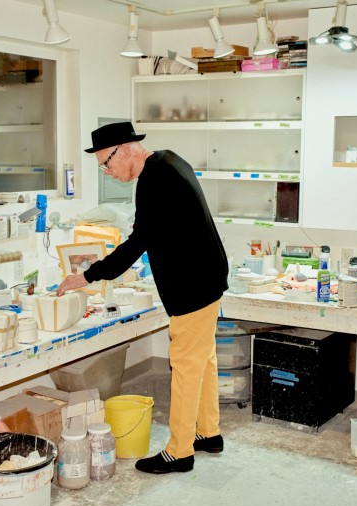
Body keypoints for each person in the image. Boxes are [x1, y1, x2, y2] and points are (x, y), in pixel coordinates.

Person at [56, 122, 229, 474]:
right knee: (202, 360)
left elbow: (139, 241)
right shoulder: (170, 161)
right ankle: (209, 433)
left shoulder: (153, 180)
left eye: (107, 162)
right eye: (102, 166)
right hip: (208, 277)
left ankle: (179, 451)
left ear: (127, 148)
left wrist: (89, 274)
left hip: (193, 287)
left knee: (183, 366)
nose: (107, 171)